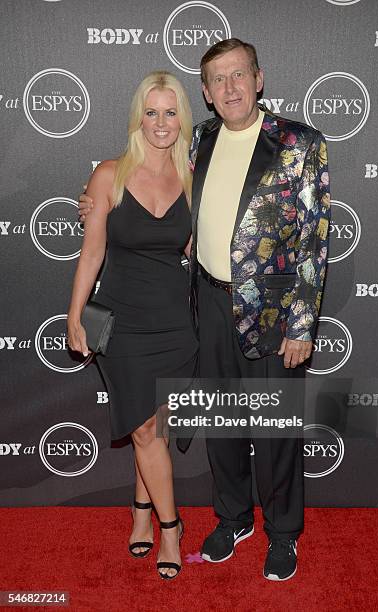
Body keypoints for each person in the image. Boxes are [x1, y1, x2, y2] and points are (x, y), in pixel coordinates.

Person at [79, 38, 330, 582]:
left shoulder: (298, 142)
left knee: (274, 428)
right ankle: (233, 518)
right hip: (206, 303)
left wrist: (302, 324)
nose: (230, 87)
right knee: (222, 424)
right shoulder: (200, 139)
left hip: (271, 310)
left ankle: (282, 533)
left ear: (258, 79)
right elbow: (144, 181)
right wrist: (94, 197)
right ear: (207, 93)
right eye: (218, 79)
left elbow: (314, 240)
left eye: (239, 75)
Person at [67, 70, 198, 580]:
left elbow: (197, 248)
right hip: (124, 324)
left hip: (176, 325)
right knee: (144, 427)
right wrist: (75, 315)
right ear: (137, 117)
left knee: (153, 429)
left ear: (182, 116)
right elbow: (91, 253)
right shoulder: (109, 174)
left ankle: (141, 513)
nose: (161, 123)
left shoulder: (192, 176)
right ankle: (172, 528)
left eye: (170, 112)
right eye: (151, 112)